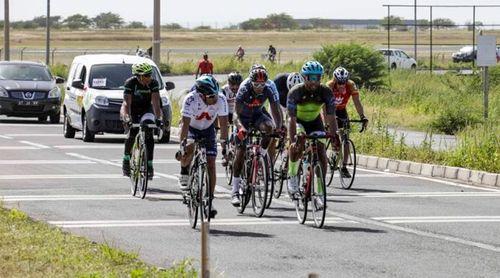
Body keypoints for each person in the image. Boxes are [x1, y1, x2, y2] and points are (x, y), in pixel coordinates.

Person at [177, 75, 229, 218]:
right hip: (191, 128)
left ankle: (210, 200)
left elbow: (224, 124)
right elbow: (185, 125)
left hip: (208, 130)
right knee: (190, 148)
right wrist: (182, 147)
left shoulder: (221, 99)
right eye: (211, 96)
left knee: (211, 163)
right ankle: (184, 172)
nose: (215, 99)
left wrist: (225, 146)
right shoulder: (191, 99)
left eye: (216, 94)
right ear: (201, 95)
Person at [287, 61, 340, 201]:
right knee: (297, 145)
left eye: (317, 78)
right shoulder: (295, 92)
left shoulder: (326, 92)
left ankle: (321, 191)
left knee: (321, 152)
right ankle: (292, 175)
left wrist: (335, 136)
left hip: (315, 122)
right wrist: (293, 141)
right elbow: (291, 120)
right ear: (305, 77)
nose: (314, 82)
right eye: (311, 77)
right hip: (298, 122)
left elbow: (331, 118)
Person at [230, 67, 282, 206]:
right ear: (251, 82)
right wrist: (241, 128)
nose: (260, 88)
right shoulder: (244, 89)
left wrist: (278, 127)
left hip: (258, 115)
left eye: (262, 84)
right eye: (256, 85)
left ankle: (261, 156)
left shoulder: (268, 88)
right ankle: (235, 191)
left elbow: (276, 110)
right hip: (243, 118)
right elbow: (235, 114)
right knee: (240, 153)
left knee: (270, 128)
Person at [121, 62, 164, 179]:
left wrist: (159, 119)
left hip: (146, 109)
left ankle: (149, 164)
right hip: (132, 109)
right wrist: (127, 118)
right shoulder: (130, 83)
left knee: (149, 132)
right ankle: (126, 159)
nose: (149, 78)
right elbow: (126, 103)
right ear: (138, 76)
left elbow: (155, 103)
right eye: (146, 75)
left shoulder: (153, 83)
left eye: (150, 75)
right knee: (133, 132)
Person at [326, 66, 368, 178]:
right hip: (330, 111)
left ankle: (343, 167)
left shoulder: (351, 85)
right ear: (335, 80)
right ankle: (333, 153)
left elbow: (357, 102)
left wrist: (362, 116)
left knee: (346, 138)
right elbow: (324, 106)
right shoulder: (329, 86)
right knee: (334, 135)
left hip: (342, 110)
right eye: (339, 82)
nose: (341, 85)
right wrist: (327, 121)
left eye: (343, 82)